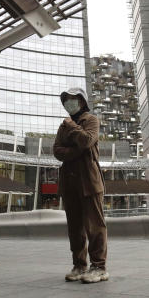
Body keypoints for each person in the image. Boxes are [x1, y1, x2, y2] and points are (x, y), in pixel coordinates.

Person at [53, 88, 109, 283]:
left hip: (89, 180)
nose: (69, 102)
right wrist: (76, 150)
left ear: (82, 101)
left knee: (95, 226)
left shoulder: (91, 120)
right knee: (75, 227)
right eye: (66, 99)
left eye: (73, 99)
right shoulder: (63, 125)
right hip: (69, 182)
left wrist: (72, 129)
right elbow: (57, 151)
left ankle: (99, 267)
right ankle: (79, 265)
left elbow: (86, 141)